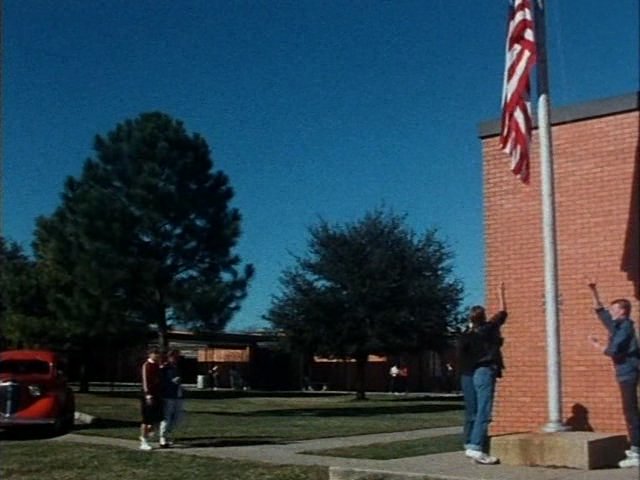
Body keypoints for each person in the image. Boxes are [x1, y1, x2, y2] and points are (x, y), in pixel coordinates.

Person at [587, 280, 640, 468]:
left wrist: (597, 345)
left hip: (629, 373)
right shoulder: (617, 325)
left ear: (622, 311)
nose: (611, 311)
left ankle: (636, 451)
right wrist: (593, 290)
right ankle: (636, 447)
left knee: (631, 411)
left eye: (614, 309)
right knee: (631, 410)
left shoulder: (625, 327)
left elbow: (615, 350)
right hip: (624, 372)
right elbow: (600, 312)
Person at [457, 282, 507, 465]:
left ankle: (468, 442)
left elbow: (461, 357)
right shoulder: (488, 329)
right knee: (483, 411)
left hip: (466, 374)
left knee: (472, 411)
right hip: (484, 370)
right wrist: (501, 293)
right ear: (483, 317)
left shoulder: (465, 336)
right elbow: (502, 314)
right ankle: (475, 447)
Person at [159, 349, 184, 448]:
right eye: (174, 357)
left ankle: (169, 433)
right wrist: (171, 382)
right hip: (168, 395)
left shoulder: (177, 367)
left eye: (177, 357)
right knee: (167, 417)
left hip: (178, 394)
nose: (176, 359)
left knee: (177, 417)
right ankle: (163, 437)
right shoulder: (165, 368)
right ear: (170, 357)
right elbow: (161, 381)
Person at [139, 347, 163, 451]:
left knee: (157, 419)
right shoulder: (146, 365)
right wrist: (147, 395)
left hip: (158, 395)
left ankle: (148, 433)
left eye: (158, 354)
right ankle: (143, 441)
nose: (157, 355)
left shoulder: (157, 366)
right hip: (148, 395)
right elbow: (145, 381)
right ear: (150, 354)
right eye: (155, 354)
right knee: (146, 419)